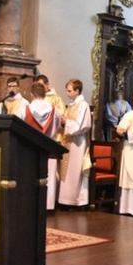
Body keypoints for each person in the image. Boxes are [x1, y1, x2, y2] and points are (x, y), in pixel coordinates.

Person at [58, 79, 92, 209]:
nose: (67, 93)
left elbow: (83, 126)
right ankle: (65, 200)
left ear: (77, 91)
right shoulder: (71, 105)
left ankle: (77, 200)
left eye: (70, 91)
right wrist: (62, 122)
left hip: (78, 143)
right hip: (68, 142)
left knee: (75, 171)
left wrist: (67, 123)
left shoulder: (83, 106)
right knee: (67, 171)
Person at [27, 82, 61, 210]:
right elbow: (57, 125)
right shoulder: (54, 109)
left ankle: (31, 203)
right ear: (45, 94)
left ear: (32, 94)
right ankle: (48, 205)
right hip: (48, 148)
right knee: (49, 178)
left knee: (31, 176)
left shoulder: (26, 108)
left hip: (30, 149)